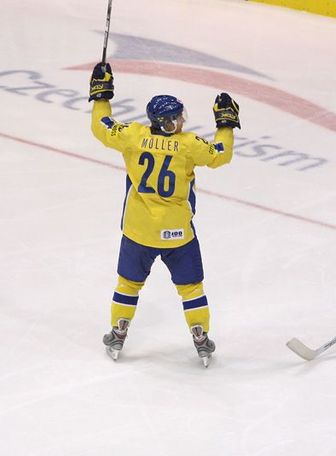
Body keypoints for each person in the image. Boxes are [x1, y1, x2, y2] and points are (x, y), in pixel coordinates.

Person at [88, 62, 241, 367]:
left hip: (138, 230)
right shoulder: (188, 146)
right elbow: (220, 155)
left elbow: (101, 124)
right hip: (177, 234)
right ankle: (199, 335)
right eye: (178, 117)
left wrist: (101, 93)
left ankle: (118, 332)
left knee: (128, 285)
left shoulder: (132, 136)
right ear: (168, 122)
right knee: (191, 288)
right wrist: (225, 123)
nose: (183, 120)